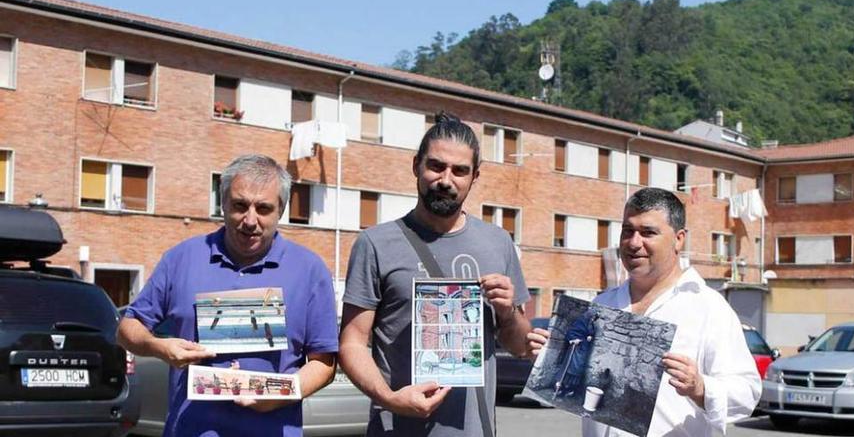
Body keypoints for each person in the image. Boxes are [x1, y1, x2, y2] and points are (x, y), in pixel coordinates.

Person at [339, 112, 533, 436]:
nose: (446, 180)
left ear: (475, 177)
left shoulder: (498, 242)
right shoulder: (375, 243)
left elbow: (518, 345)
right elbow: (351, 344)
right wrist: (390, 398)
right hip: (396, 429)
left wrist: (507, 312)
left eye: (459, 171)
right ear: (416, 166)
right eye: (436, 166)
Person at [117, 154, 338, 437]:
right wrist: (160, 347)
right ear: (222, 204)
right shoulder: (181, 259)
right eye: (239, 206)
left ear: (280, 210)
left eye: (264, 208)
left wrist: (283, 395)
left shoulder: (309, 270)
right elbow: (127, 328)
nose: (250, 220)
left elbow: (323, 364)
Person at [530, 187, 761, 436]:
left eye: (648, 232)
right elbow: (575, 389)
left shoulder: (708, 308)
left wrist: (701, 387)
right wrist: (552, 362)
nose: (633, 243)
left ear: (679, 239)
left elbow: (747, 392)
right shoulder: (602, 304)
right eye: (627, 231)